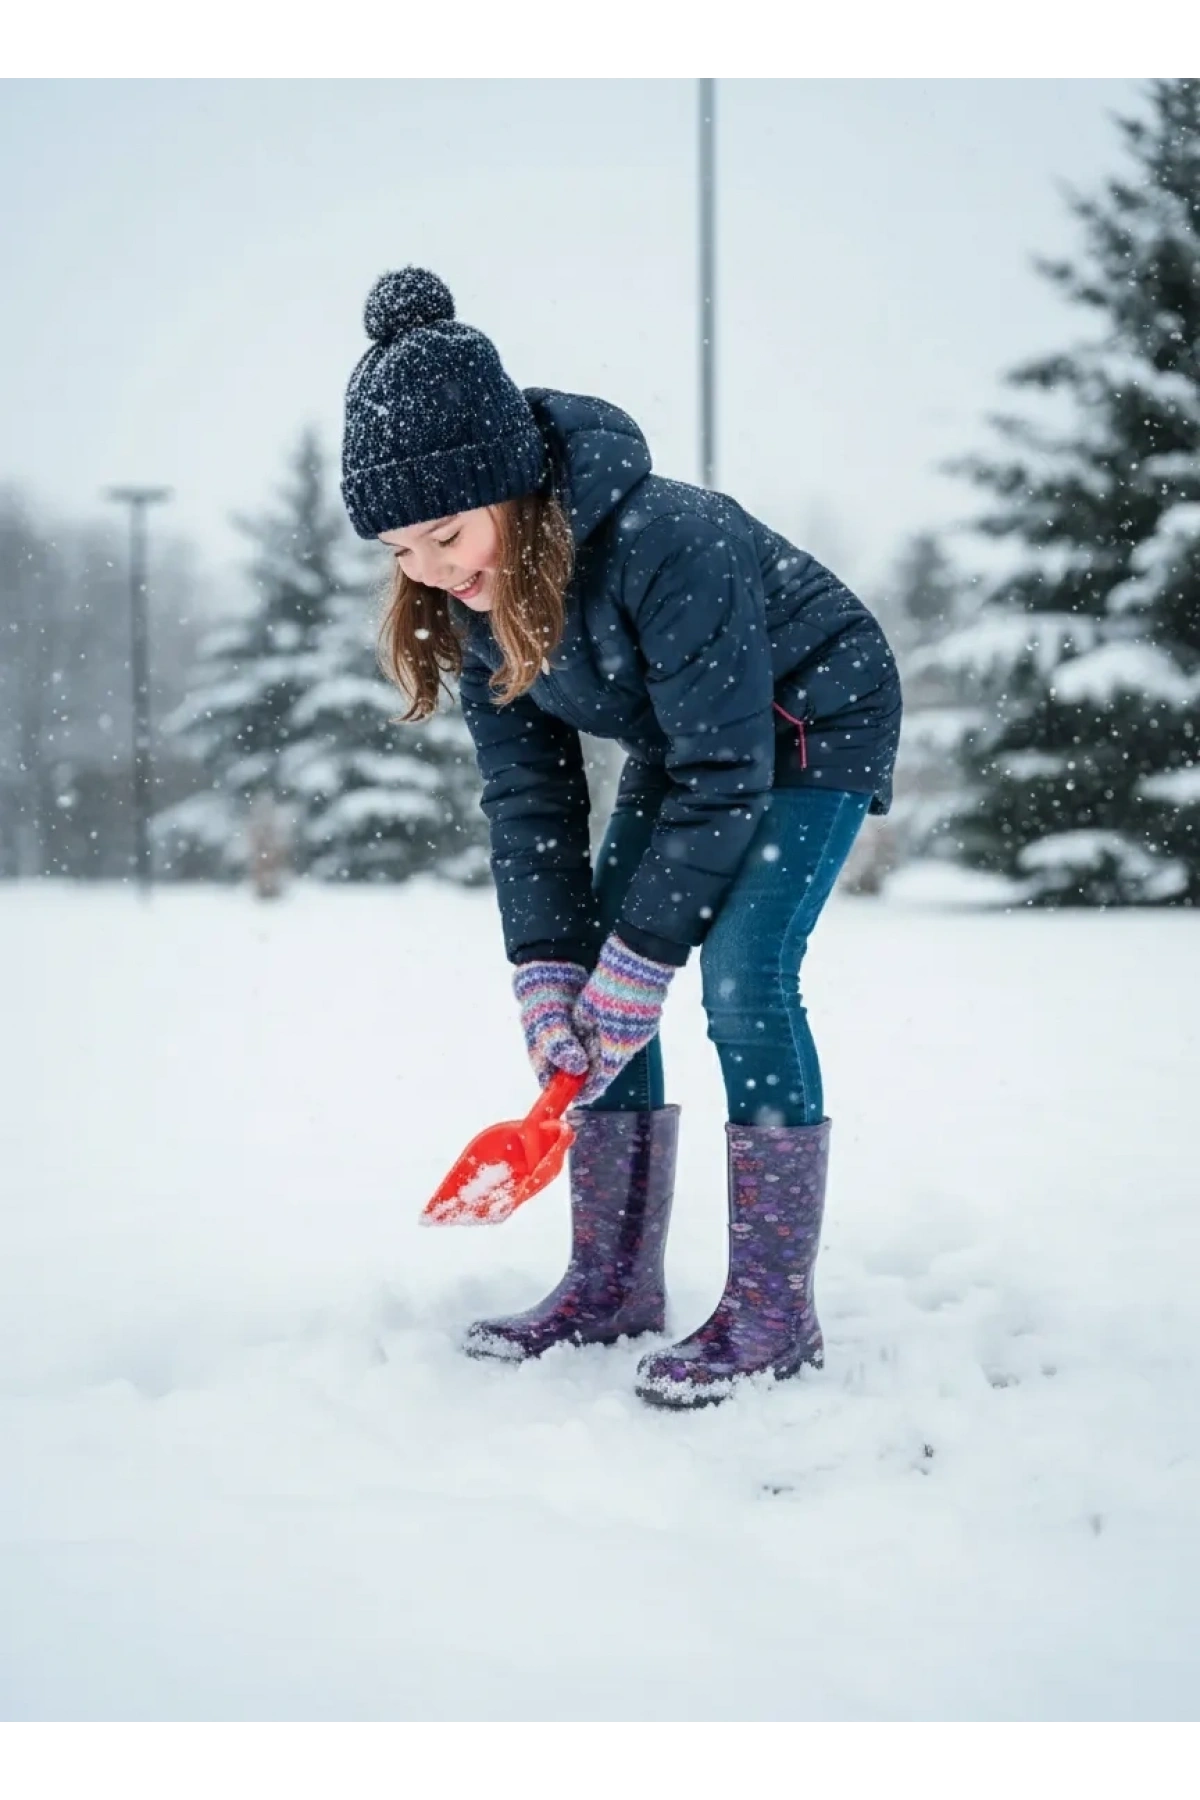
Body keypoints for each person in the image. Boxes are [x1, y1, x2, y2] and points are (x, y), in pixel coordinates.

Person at [340, 268, 903, 1410]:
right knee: (600, 983)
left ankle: (772, 1315)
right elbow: (529, 805)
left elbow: (726, 774)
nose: (437, 571)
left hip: (811, 718)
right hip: (692, 742)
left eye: (447, 534)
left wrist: (641, 965)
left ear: (508, 486)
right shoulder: (472, 608)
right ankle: (609, 1283)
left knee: (743, 977)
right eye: (403, 552)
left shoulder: (663, 537)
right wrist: (550, 972)